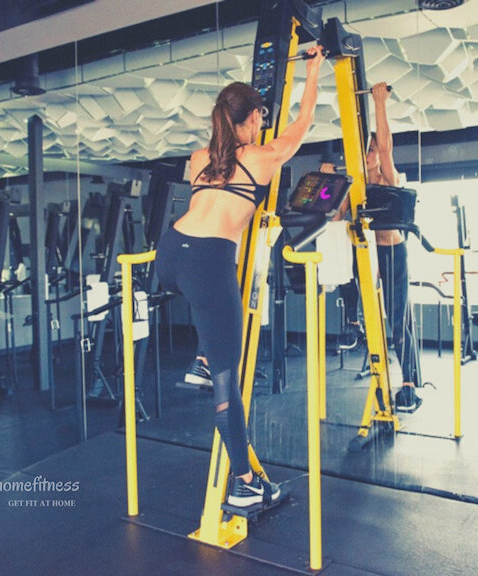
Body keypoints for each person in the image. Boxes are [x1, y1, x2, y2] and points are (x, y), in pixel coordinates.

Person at [155, 46, 325, 508]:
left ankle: (204, 359)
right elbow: (303, 122)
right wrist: (313, 71)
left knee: (213, 337)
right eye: (260, 119)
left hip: (169, 256)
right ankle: (246, 482)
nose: (263, 126)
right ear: (250, 119)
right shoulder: (263, 157)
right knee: (228, 388)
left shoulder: (197, 158)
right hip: (208, 263)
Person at [333, 81, 421, 413]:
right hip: (365, 256)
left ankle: (409, 382)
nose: (369, 155)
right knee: (354, 288)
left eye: (370, 150)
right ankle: (353, 327)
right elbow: (336, 219)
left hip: (392, 253)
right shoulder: (355, 183)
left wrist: (379, 104)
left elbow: (386, 148)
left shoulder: (387, 175)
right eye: (364, 151)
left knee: (398, 322)